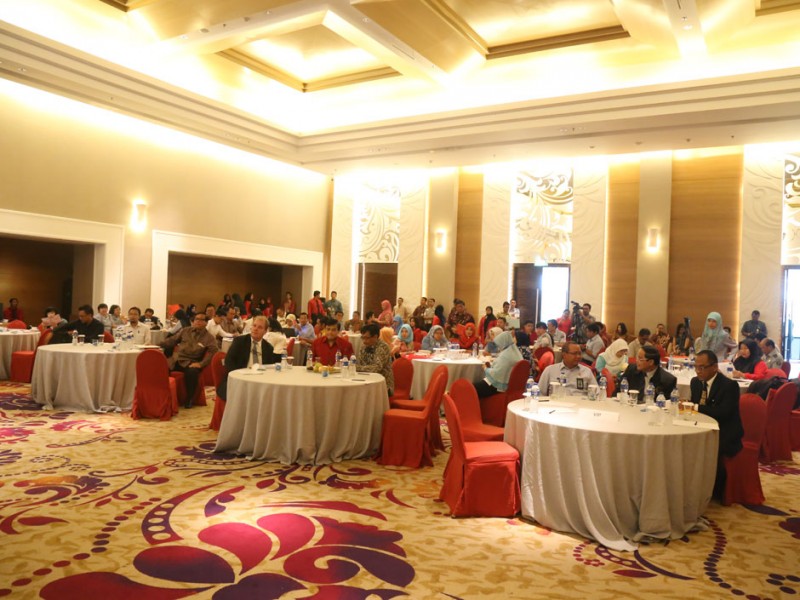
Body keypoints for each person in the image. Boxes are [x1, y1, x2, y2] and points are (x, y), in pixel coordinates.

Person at [690, 350, 743, 499]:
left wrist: (695, 407)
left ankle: (713, 490)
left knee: (709, 448)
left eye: (702, 367)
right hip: (701, 427)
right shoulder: (695, 382)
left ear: (714, 367)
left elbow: (723, 412)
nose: (698, 371)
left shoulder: (729, 386)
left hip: (725, 431)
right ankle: (691, 486)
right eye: (696, 367)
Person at [160, 313, 217, 408]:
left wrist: (201, 364)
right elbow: (172, 340)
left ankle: (189, 398)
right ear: (193, 321)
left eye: (201, 320)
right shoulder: (185, 330)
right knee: (162, 367)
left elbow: (213, 352)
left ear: (206, 323)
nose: (198, 321)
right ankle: (165, 396)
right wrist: (157, 344)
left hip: (193, 362)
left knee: (192, 373)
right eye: (196, 319)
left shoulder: (209, 337)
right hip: (178, 360)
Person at [216, 315, 279, 401]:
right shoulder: (239, 341)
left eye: (260, 327)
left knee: (274, 394)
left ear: (265, 331)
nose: (255, 329)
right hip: (240, 380)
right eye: (254, 325)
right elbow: (229, 361)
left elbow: (269, 368)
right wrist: (239, 377)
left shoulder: (268, 348)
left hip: (260, 382)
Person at [474, 331, 523, 398]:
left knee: (473, 388)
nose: (498, 346)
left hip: (498, 386)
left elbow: (496, 374)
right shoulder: (515, 352)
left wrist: (486, 369)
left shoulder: (505, 356)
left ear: (503, 343)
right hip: (512, 385)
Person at [357, 323, 394, 396]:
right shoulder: (364, 347)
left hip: (383, 385)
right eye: (363, 338)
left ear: (375, 337)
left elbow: (376, 368)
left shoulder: (383, 347)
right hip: (366, 380)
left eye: (367, 338)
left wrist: (356, 368)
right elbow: (360, 363)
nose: (364, 341)